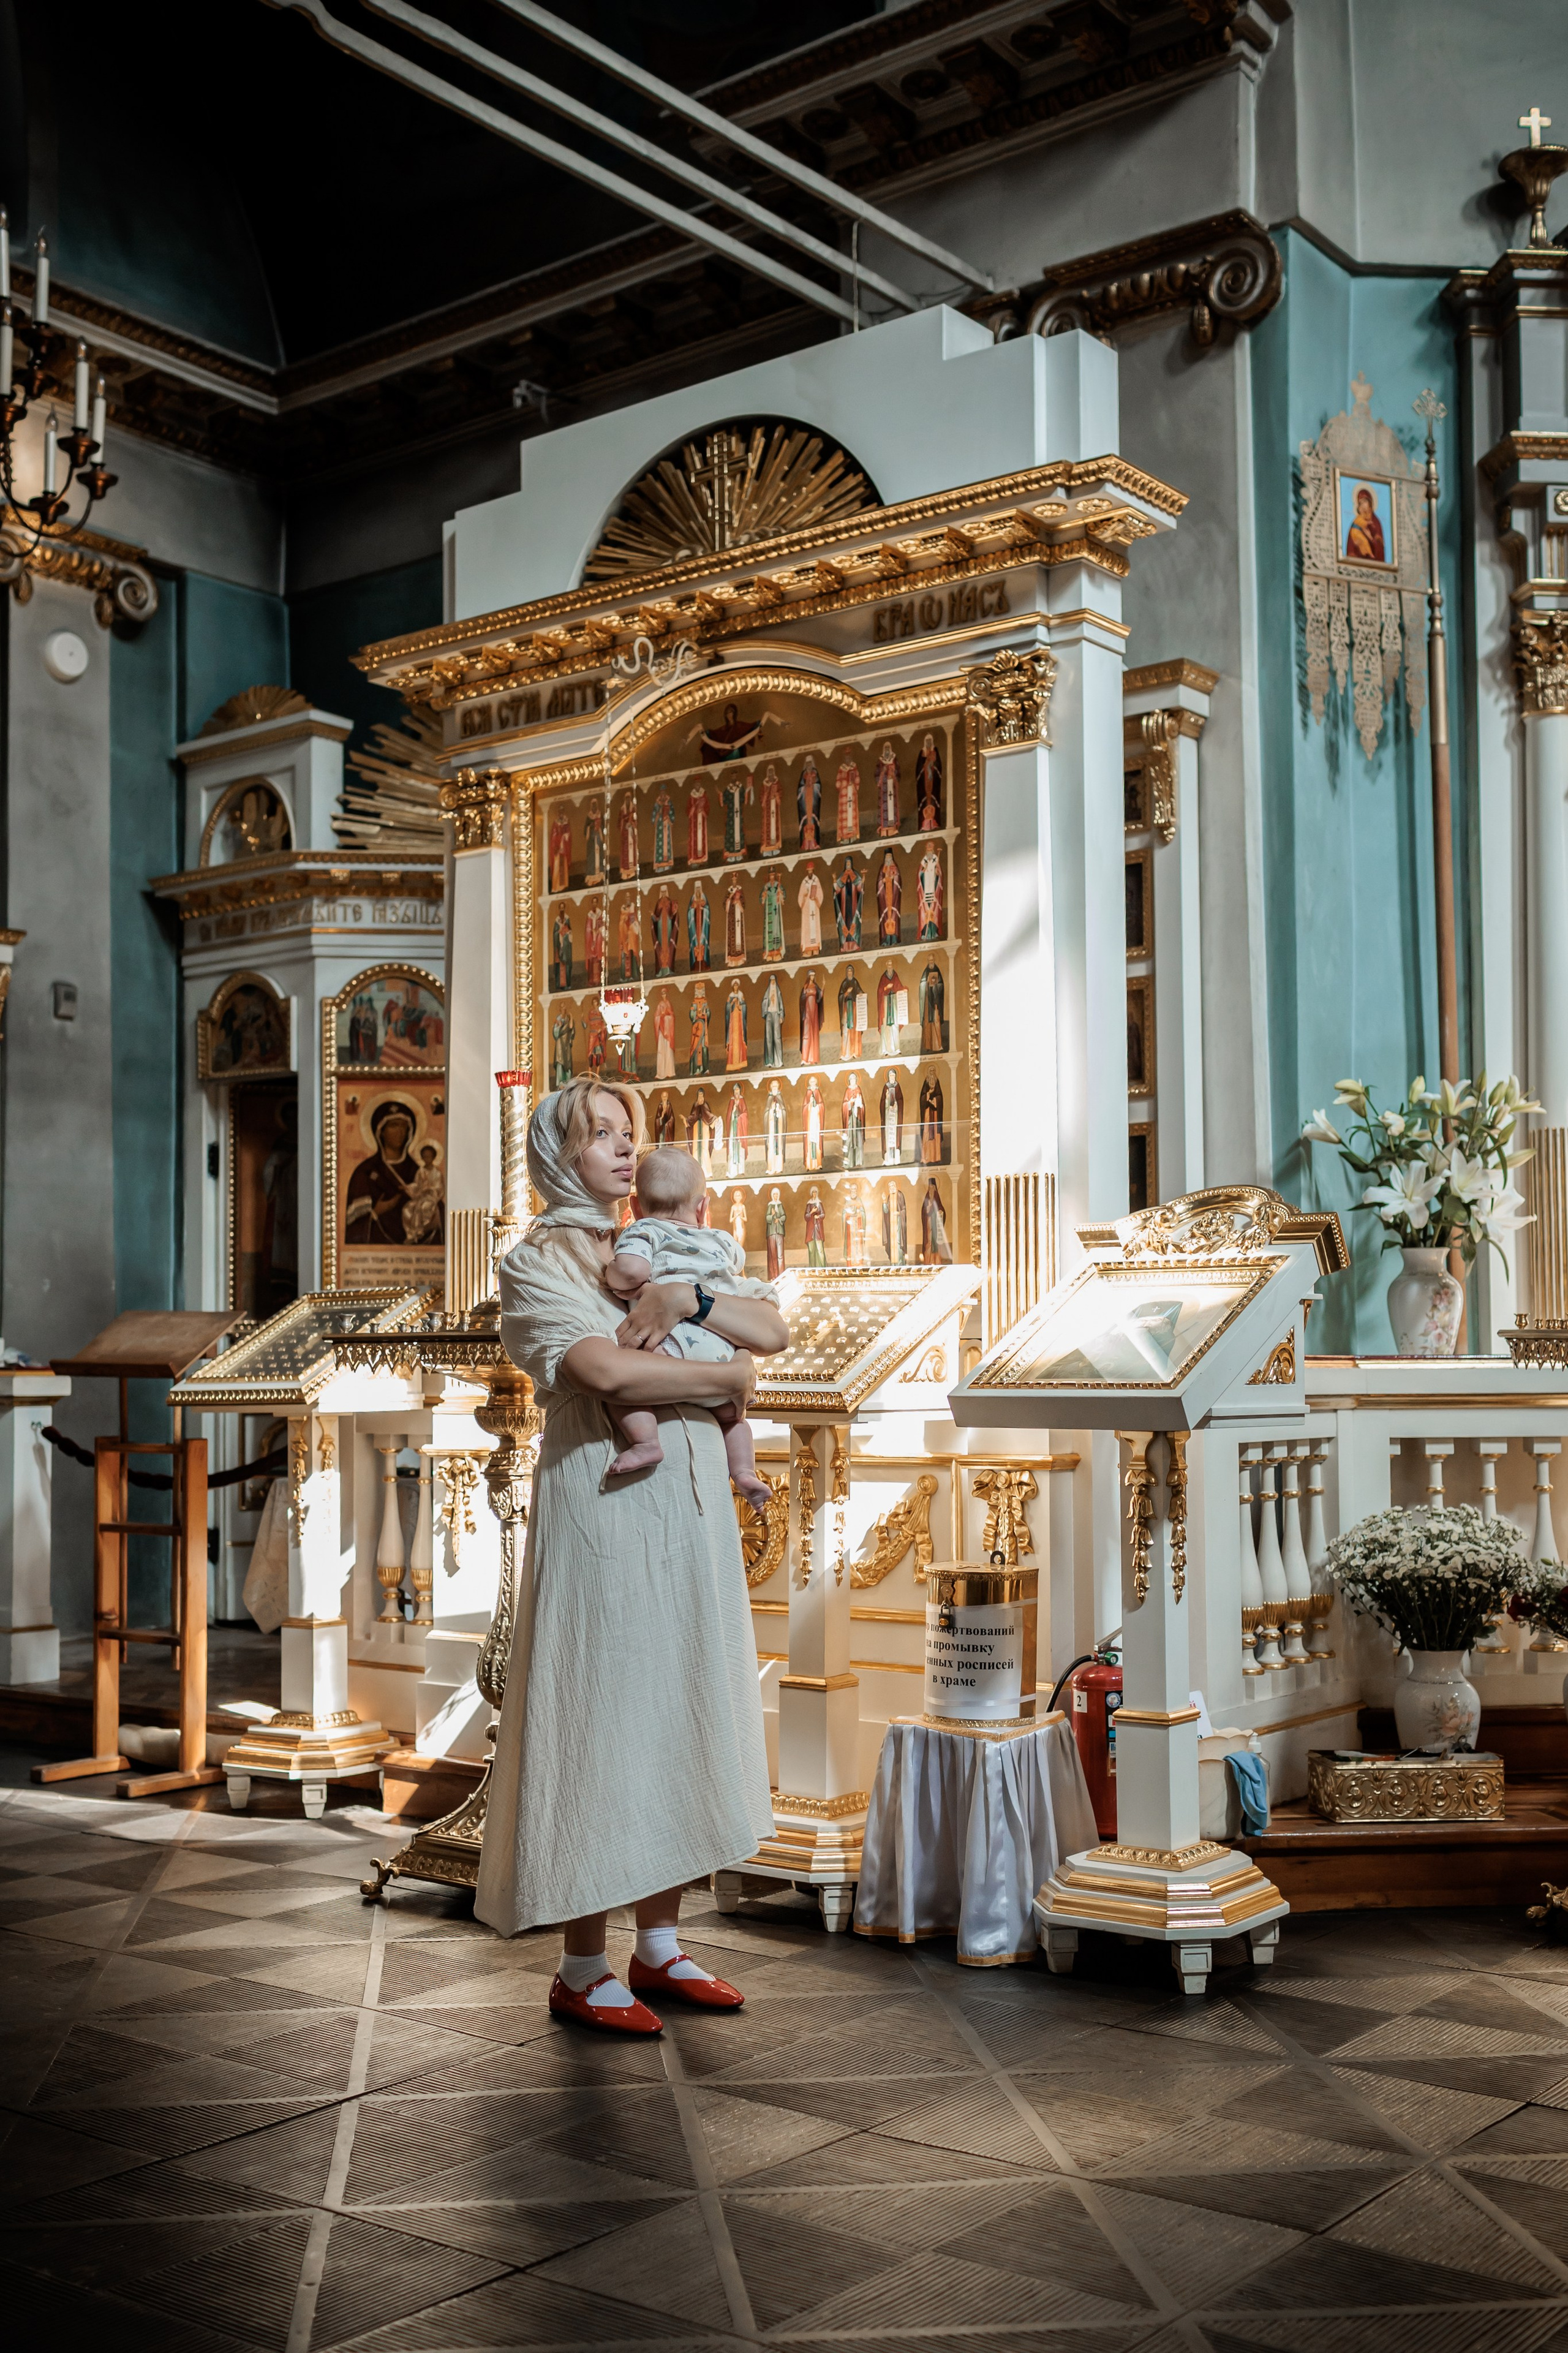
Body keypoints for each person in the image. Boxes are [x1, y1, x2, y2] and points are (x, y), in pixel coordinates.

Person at [478, 1082, 786, 2033]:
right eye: (597, 1134)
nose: (620, 1149)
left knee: (680, 1705)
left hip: (690, 1505)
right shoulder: (537, 1258)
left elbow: (771, 1329)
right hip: (602, 1500)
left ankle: (659, 1948)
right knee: (602, 1713)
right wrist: (724, 1373)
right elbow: (605, 1370)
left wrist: (690, 1299)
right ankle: (580, 1963)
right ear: (555, 1153)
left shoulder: (657, 1251)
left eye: (626, 1133)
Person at [603, 1144, 776, 1513]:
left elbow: (631, 1272)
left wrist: (612, 1276)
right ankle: (744, 1472)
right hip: (722, 1354)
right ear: (703, 1207)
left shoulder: (645, 1230)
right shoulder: (721, 1240)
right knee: (734, 1421)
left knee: (623, 1378)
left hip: (675, 1349)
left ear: (634, 1207)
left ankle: (646, 1443)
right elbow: (737, 1269)